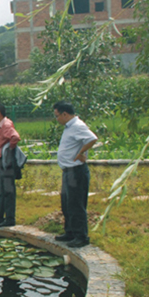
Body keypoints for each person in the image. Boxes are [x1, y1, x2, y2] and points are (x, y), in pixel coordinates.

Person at [53, 101, 98, 248]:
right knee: (67, 203)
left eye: (57, 116)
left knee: (76, 204)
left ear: (65, 114)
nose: (57, 119)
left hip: (76, 171)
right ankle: (70, 232)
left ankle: (81, 236)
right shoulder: (69, 127)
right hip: (68, 171)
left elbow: (92, 138)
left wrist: (80, 153)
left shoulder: (78, 125)